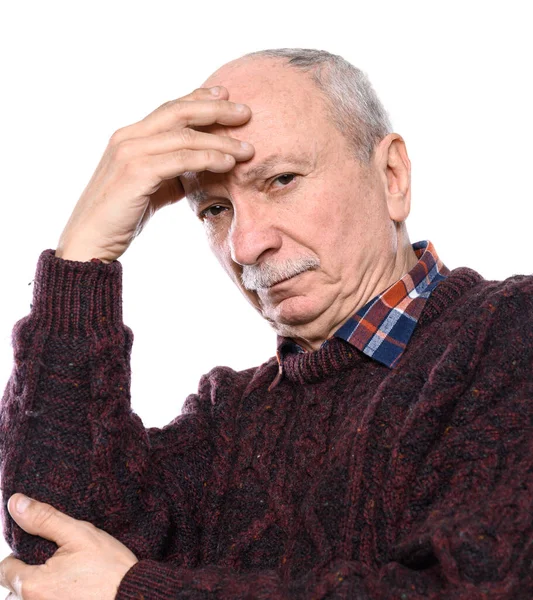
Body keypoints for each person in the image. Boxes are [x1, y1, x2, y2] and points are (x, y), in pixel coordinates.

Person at [0, 47, 532, 599]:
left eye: (280, 180)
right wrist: (84, 260)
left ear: (392, 176)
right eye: (214, 209)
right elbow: (51, 555)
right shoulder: (224, 416)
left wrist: (141, 592)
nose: (246, 244)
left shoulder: (509, 334)